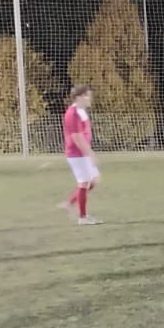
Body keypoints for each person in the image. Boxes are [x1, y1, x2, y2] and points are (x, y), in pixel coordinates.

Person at [59, 85, 100, 225]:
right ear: (79, 97)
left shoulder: (81, 111)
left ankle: (69, 203)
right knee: (84, 183)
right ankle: (83, 217)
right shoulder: (72, 113)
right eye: (87, 95)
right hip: (77, 154)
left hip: (82, 153)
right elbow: (77, 138)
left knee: (93, 181)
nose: (90, 98)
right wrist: (90, 154)